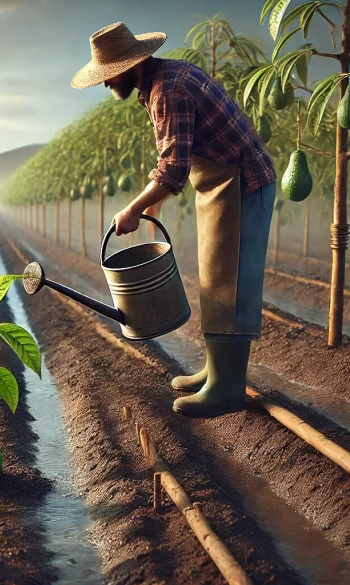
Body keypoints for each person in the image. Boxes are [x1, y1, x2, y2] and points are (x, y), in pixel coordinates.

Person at [72, 23, 276, 415]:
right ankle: (216, 371)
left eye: (107, 75)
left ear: (130, 65)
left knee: (230, 282)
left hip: (241, 183)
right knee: (215, 278)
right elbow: (177, 156)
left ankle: (227, 385)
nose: (105, 84)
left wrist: (134, 208)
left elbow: (172, 169)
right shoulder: (162, 81)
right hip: (223, 183)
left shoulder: (168, 90)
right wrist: (154, 202)